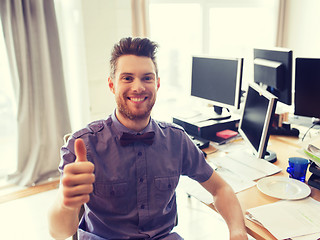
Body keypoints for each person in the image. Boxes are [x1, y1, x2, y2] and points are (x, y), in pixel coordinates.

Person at [48, 37, 248, 240]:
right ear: (112, 85)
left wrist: (237, 231)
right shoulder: (84, 145)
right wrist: (67, 201)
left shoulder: (176, 140)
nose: (138, 87)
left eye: (147, 78)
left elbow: (221, 188)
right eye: (127, 78)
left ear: (157, 84)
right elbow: (59, 232)